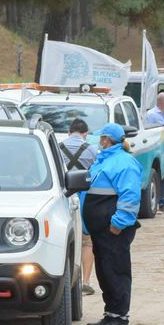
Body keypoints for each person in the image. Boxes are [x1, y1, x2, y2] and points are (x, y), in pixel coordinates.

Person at [83, 123, 141, 325]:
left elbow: (130, 196)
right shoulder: (104, 160)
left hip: (113, 230)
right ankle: (111, 314)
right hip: (101, 230)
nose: (98, 141)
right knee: (105, 272)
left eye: (100, 138)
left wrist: (117, 224)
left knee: (116, 271)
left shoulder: (124, 163)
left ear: (106, 139)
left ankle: (119, 318)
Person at [58, 118, 98, 293]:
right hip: (83, 197)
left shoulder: (58, 148)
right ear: (85, 134)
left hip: (62, 198)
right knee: (87, 241)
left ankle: (65, 280)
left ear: (69, 132)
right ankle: (85, 280)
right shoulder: (91, 149)